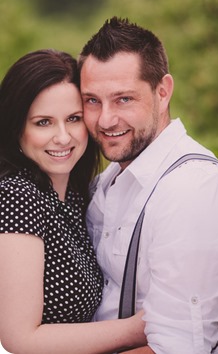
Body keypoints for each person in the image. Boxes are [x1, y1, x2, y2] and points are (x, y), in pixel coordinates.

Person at [78, 17, 218, 354]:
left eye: (123, 100)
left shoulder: (193, 190)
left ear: (163, 92)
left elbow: (175, 348)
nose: (105, 120)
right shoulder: (107, 183)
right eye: (92, 101)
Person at [0, 49, 146, 354]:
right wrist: (140, 328)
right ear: (17, 129)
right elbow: (19, 339)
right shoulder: (17, 196)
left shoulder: (78, 196)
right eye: (43, 123)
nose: (63, 137)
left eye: (74, 119)